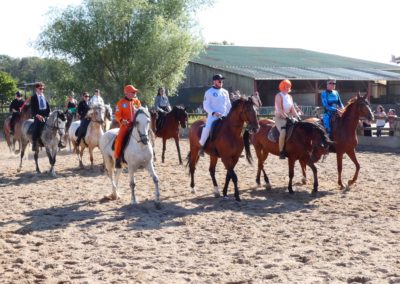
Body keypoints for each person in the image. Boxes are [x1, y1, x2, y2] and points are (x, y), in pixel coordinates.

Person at [198, 74, 231, 157]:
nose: (221, 81)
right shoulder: (209, 92)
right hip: (213, 116)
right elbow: (206, 106)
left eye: (222, 80)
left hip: (225, 116)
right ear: (214, 81)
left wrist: (230, 114)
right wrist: (214, 113)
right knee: (207, 128)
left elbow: (228, 105)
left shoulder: (225, 92)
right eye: (219, 80)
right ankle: (201, 147)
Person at [114, 85, 141, 168]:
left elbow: (140, 111)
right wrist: (122, 120)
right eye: (133, 92)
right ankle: (117, 158)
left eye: (135, 92)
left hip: (136, 125)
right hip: (126, 125)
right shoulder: (121, 103)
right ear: (127, 93)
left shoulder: (137, 102)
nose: (135, 93)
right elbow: (117, 114)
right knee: (119, 139)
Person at [274, 79, 301, 159]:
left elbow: (292, 109)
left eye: (288, 86)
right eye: (286, 86)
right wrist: (286, 117)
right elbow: (280, 109)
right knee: (283, 132)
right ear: (282, 87)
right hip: (279, 117)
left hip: (289, 117)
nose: (287, 88)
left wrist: (298, 117)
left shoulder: (290, 97)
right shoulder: (278, 96)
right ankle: (281, 151)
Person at [30, 82, 50, 151]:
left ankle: (58, 141)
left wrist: (48, 114)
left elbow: (48, 107)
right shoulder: (33, 98)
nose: (42, 90)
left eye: (43, 89)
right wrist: (37, 115)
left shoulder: (44, 96)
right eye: (40, 88)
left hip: (46, 115)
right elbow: (32, 109)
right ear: (36, 89)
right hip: (38, 115)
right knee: (36, 127)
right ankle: (34, 144)